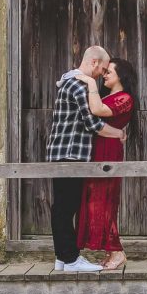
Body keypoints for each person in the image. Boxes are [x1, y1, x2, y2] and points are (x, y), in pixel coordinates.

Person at [45, 44, 110, 272]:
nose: (102, 75)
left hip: (63, 152)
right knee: (65, 207)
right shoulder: (79, 85)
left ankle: (63, 257)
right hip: (70, 154)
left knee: (63, 206)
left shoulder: (70, 81)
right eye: (102, 69)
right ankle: (71, 259)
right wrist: (118, 132)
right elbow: (92, 123)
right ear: (94, 63)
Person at [79, 58, 136, 269]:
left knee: (105, 201)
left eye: (109, 72)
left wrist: (89, 82)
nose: (104, 75)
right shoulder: (109, 96)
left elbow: (98, 111)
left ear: (121, 75)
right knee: (95, 201)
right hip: (96, 150)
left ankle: (117, 252)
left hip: (109, 152)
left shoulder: (125, 98)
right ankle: (110, 251)